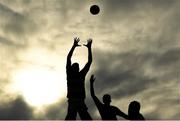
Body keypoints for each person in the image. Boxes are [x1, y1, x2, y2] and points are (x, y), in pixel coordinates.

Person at [65, 37, 92, 120]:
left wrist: (89, 49)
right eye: (75, 66)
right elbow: (68, 58)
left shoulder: (81, 75)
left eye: (77, 66)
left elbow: (89, 62)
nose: (77, 67)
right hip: (73, 100)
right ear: (72, 68)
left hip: (80, 101)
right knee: (71, 118)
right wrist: (73, 46)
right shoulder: (70, 74)